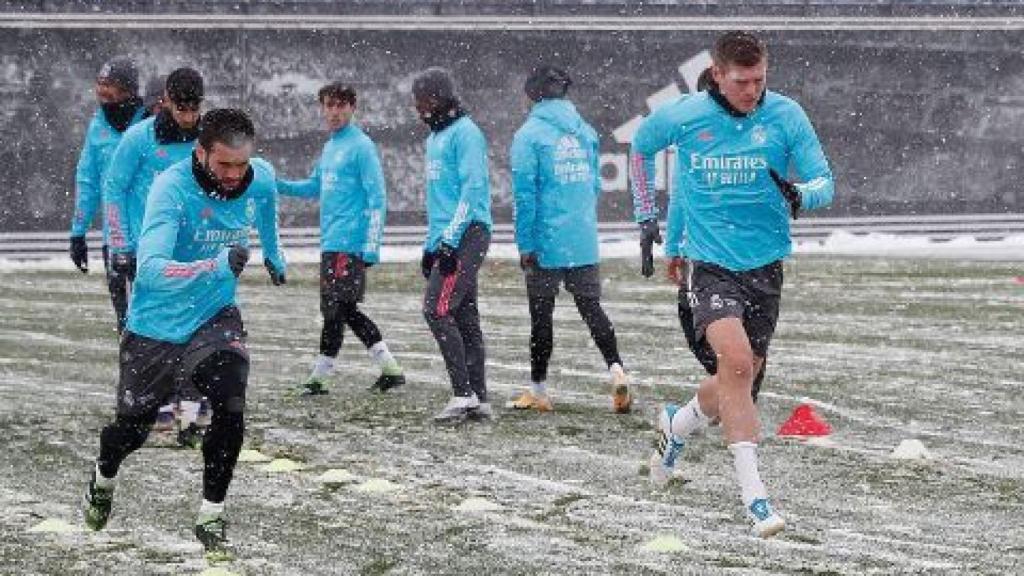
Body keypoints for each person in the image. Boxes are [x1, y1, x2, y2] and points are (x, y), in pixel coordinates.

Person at [631, 31, 834, 538]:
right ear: (717, 74)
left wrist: (800, 196)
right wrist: (646, 218)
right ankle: (757, 500)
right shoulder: (685, 115)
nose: (752, 91)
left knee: (735, 385)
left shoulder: (787, 115)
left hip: (765, 266)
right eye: (741, 81)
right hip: (711, 262)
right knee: (738, 364)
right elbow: (640, 148)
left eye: (759, 80)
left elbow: (823, 182)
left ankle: (676, 427)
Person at [82, 109, 288, 559]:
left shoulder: (261, 177)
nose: (235, 176)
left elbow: (267, 209)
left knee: (231, 401)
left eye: (242, 164)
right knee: (131, 433)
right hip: (155, 324)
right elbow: (151, 271)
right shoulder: (171, 188)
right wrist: (214, 265)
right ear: (200, 152)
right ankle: (104, 476)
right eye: (224, 165)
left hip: (214, 314)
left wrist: (274, 254)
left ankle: (212, 513)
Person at [507, 65, 631, 414]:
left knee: (541, 317)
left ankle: (539, 389)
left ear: (532, 95)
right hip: (581, 237)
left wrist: (525, 245)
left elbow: (525, 196)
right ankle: (617, 370)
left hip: (545, 239)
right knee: (592, 309)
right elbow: (593, 185)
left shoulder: (529, 135)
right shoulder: (585, 132)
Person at [277, 82, 405, 395]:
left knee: (338, 309)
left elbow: (378, 197)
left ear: (352, 107)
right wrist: (277, 184)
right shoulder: (331, 146)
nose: (334, 112)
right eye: (329, 106)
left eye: (340, 106)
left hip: (350, 243)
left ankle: (320, 377)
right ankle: (389, 368)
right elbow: (313, 186)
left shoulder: (362, 146)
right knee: (338, 310)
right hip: (330, 244)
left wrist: (371, 246)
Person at [103, 67, 206, 445]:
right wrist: (121, 244)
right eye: (181, 108)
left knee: (196, 329)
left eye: (194, 108)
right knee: (147, 332)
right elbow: (114, 190)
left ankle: (193, 410)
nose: (188, 116)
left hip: (191, 252)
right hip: (147, 253)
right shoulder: (138, 139)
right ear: (165, 100)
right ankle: (153, 406)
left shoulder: (206, 139)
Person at [664, 67, 768, 402]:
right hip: (722, 258)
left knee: (743, 359)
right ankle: (725, 404)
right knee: (738, 360)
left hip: (733, 257)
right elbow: (682, 196)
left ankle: (719, 406)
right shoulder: (707, 139)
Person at [411, 68, 493, 424]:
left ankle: (463, 395)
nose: (419, 109)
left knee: (436, 309)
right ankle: (479, 398)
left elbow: (471, 191)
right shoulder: (434, 139)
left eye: (424, 101)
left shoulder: (466, 133)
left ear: (441, 98)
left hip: (467, 233)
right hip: (449, 235)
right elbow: (440, 201)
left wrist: (449, 241)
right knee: (464, 314)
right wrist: (432, 246)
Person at [69, 57, 146, 333]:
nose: (101, 90)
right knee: (126, 322)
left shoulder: (151, 124)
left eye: (109, 84)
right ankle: (133, 374)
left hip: (154, 238)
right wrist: (78, 233)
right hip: (114, 241)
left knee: (158, 320)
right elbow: (88, 181)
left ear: (127, 89)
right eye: (99, 83)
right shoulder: (97, 126)